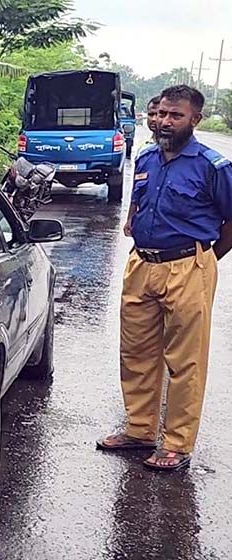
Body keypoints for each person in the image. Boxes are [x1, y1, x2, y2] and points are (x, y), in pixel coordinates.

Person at [97, 85, 232, 471]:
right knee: (136, 352)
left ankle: (176, 443)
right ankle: (139, 430)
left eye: (176, 115)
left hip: (188, 266)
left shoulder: (213, 166)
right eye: (162, 114)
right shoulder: (146, 157)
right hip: (142, 265)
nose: (165, 122)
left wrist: (204, 260)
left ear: (195, 119)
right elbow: (139, 204)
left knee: (185, 361)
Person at [125, 95, 163, 237]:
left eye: (159, 114)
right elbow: (137, 189)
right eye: (151, 114)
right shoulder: (144, 151)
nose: (154, 119)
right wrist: (130, 217)